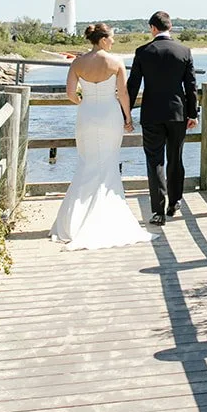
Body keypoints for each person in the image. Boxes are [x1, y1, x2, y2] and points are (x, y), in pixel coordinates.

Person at [50, 24, 152, 249]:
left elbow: (69, 93)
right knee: (107, 162)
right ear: (103, 39)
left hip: (86, 114)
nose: (114, 41)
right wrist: (128, 118)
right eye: (112, 38)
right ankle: (105, 215)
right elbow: (123, 93)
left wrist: (84, 102)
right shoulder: (115, 62)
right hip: (109, 114)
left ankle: (74, 220)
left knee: (87, 162)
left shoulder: (77, 62)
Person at [126, 10, 198, 226]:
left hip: (151, 114)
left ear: (153, 28)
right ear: (170, 27)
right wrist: (192, 113)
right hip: (178, 113)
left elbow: (133, 85)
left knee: (155, 160)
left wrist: (126, 113)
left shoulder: (142, 52)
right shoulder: (184, 51)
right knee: (176, 158)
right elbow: (191, 86)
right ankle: (174, 203)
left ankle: (158, 211)